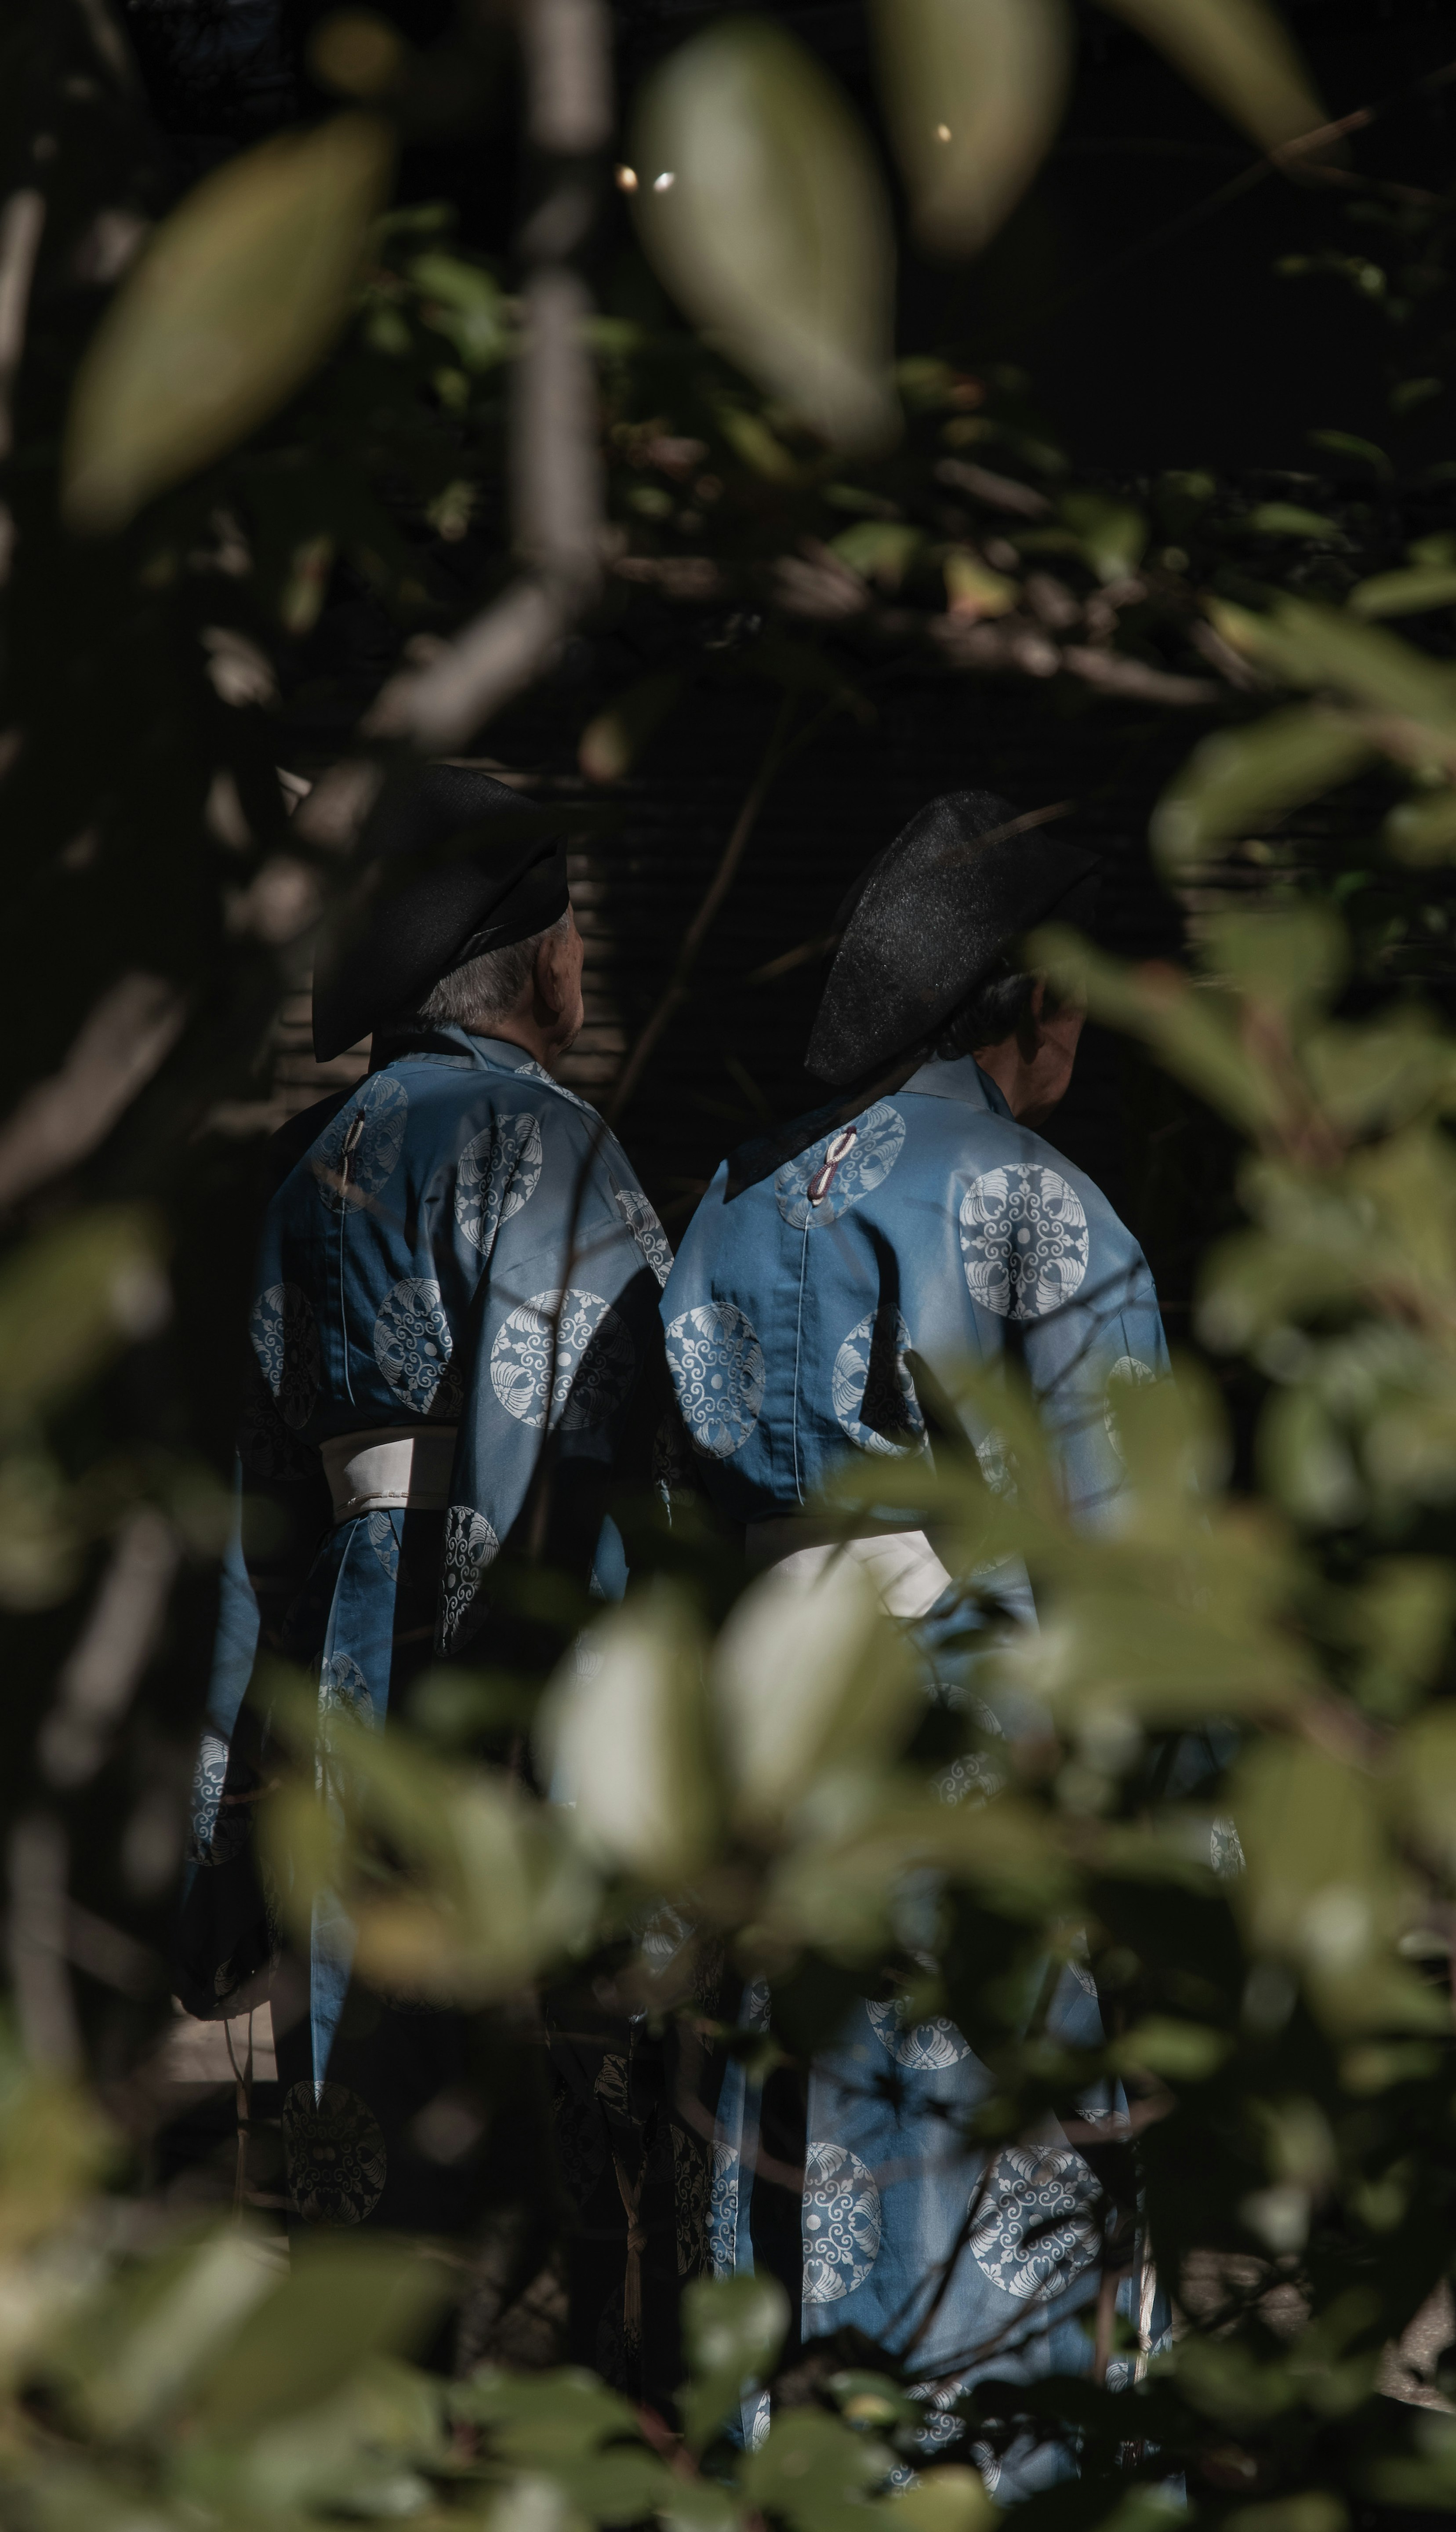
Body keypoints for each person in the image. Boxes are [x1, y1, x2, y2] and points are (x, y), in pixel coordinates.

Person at [660, 791, 1169, 2452]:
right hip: (973, 1762)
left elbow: (661, 1534)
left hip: (764, 1751)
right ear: (1020, 996)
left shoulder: (728, 1203)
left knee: (786, 2189)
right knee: (985, 2230)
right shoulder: (1047, 1210)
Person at [178, 767, 686, 2362]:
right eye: (575, 929)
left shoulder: (310, 1163)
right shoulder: (546, 1147)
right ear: (530, 960)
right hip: (503, 1682)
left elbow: (252, 1522)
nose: (588, 962)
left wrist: (218, 1825)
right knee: (556, 2171)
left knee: (369, 2157)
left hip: (338, 1679)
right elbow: (554, 1461)